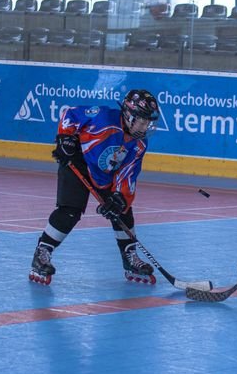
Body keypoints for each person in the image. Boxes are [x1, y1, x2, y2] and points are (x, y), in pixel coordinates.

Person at [29, 89, 160, 286]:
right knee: (70, 210)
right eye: (141, 120)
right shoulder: (103, 117)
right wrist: (64, 138)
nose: (145, 126)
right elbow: (70, 114)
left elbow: (128, 174)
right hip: (78, 161)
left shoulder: (139, 143)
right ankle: (42, 253)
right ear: (128, 114)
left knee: (122, 210)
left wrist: (120, 198)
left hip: (105, 174)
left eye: (147, 122)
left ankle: (130, 256)